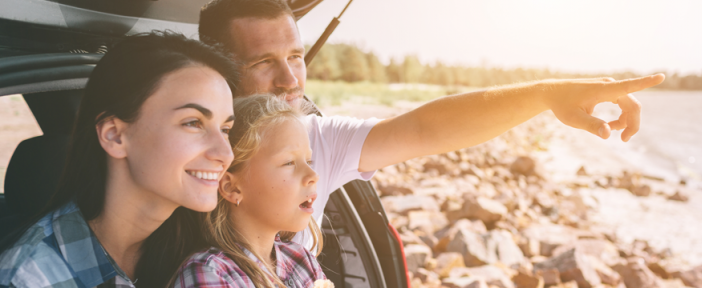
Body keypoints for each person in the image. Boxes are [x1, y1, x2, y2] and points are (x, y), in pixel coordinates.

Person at [195, 0, 666, 252]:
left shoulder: (315, 137)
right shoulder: (185, 155)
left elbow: (426, 129)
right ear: (219, 71)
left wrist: (547, 94)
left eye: (296, 56)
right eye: (264, 62)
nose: (291, 79)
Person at [0, 32, 238, 287]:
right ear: (114, 136)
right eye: (193, 123)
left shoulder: (209, 259)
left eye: (225, 129)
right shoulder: (32, 278)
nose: (225, 154)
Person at [173, 95, 328, 288]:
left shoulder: (302, 261)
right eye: (289, 162)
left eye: (309, 161)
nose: (313, 175)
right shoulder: (209, 273)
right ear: (232, 187)